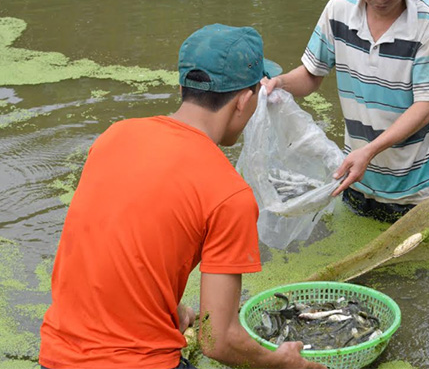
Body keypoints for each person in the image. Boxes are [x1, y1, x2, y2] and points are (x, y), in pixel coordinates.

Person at [38, 24, 325, 369]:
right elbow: (219, 341)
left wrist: (170, 310)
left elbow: (115, 248)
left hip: (55, 356)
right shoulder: (228, 194)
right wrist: (286, 363)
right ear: (245, 101)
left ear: (182, 87)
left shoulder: (114, 138)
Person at [262, 0, 429, 224]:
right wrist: (279, 83)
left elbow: (425, 108)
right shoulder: (338, 10)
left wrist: (370, 151)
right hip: (356, 177)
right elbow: (311, 74)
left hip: (415, 187)